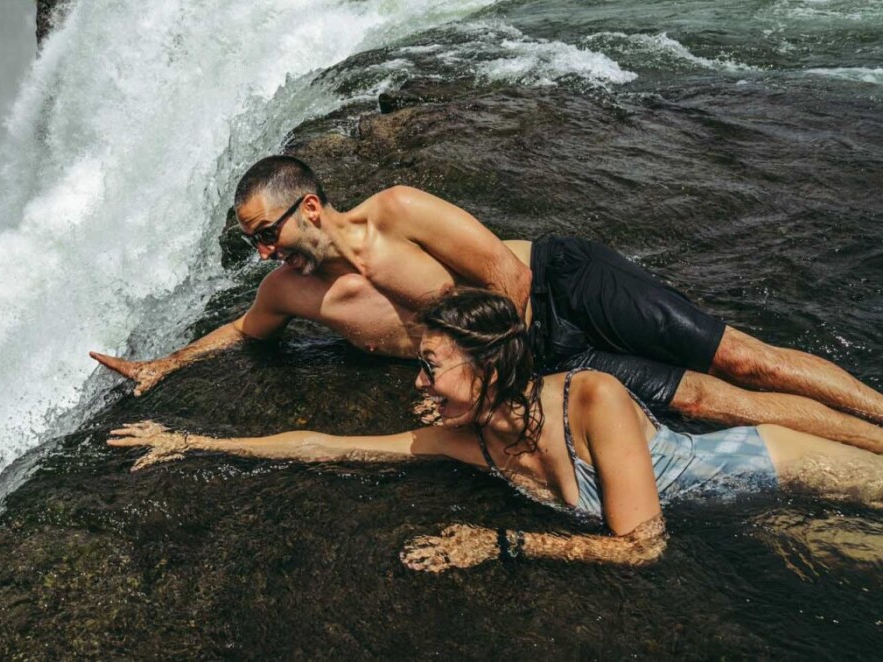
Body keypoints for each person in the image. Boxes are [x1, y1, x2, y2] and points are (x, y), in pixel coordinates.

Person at [91, 155, 883, 453]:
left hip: (567, 288)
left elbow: (506, 277)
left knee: (745, 359)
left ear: (310, 207)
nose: (262, 254)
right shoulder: (289, 292)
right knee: (713, 405)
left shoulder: (397, 211)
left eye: (266, 234)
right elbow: (243, 330)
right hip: (535, 358)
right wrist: (165, 365)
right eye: (253, 243)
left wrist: (491, 377)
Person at [107, 289, 883, 570]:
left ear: (486, 366)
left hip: (782, 466)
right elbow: (323, 444)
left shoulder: (592, 399)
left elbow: (642, 545)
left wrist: (501, 544)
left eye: (431, 367)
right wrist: (191, 441)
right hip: (751, 515)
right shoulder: (471, 440)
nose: (418, 385)